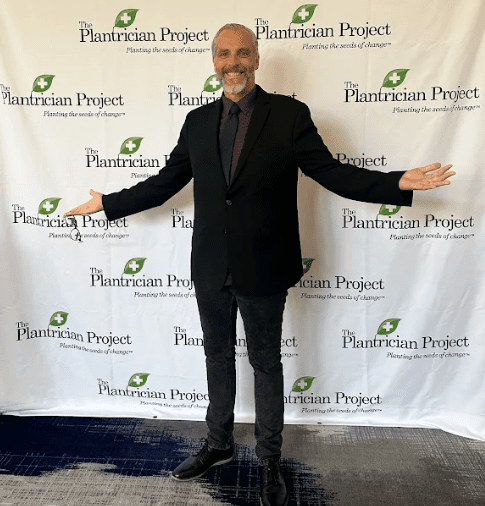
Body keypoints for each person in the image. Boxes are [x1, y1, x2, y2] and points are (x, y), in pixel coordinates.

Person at [64, 23, 454, 506]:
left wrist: (396, 182)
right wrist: (108, 203)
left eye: (243, 53)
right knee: (216, 356)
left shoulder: (289, 115)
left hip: (265, 265)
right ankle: (219, 444)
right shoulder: (197, 121)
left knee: (266, 363)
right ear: (214, 61)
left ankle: (269, 459)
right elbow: (165, 183)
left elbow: (331, 173)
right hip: (211, 266)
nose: (234, 63)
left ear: (256, 59)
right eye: (224, 54)